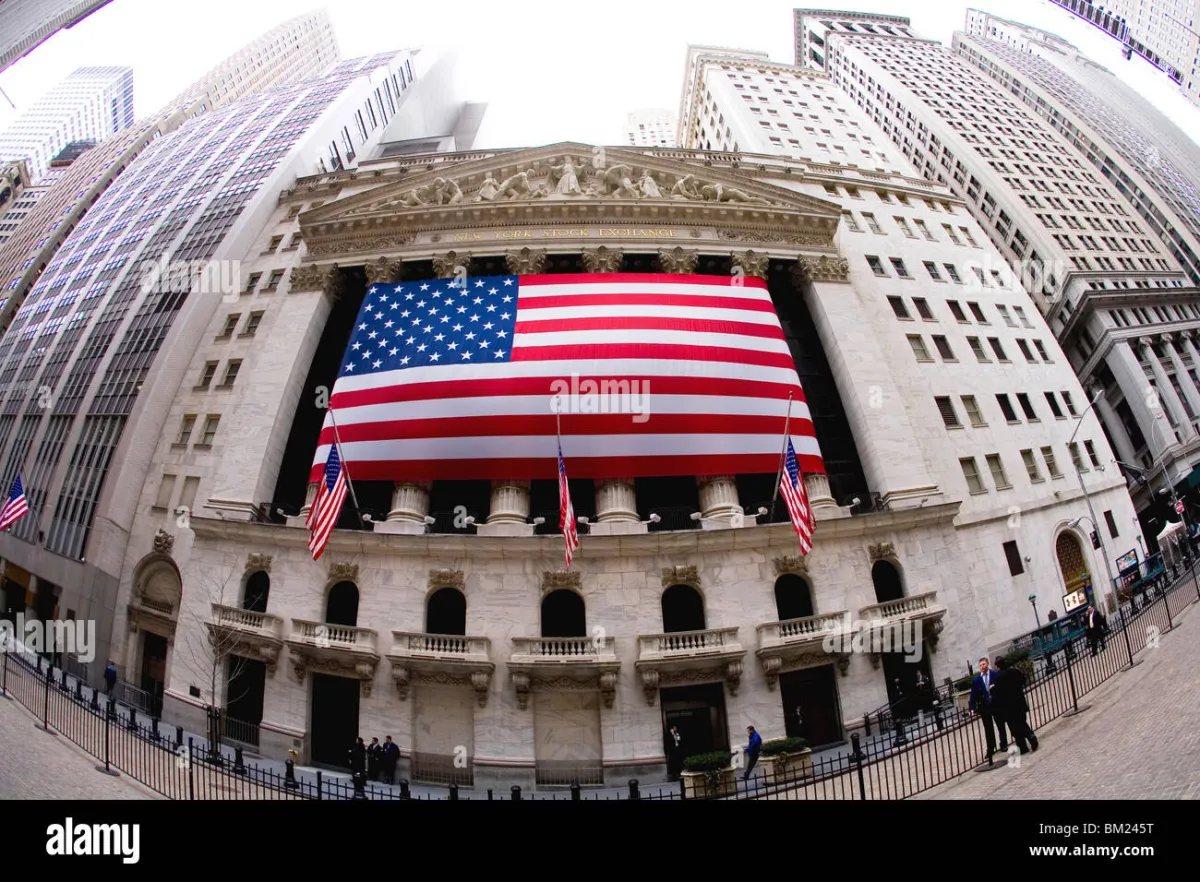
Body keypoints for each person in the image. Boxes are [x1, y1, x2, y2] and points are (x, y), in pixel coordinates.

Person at [992, 656, 1038, 755]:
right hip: (1019, 702)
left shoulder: (997, 678)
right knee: (1022, 722)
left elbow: (998, 693)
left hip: (1008, 707)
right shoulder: (1014, 671)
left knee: (1014, 728)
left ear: (997, 666)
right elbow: (1023, 681)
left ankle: (1023, 746)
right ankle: (1030, 736)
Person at [969, 656, 1008, 764]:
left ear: (987, 664)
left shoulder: (995, 674)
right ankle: (990, 748)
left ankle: (1003, 744)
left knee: (1000, 724)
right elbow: (973, 695)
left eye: (984, 664)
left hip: (996, 703)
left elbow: (1001, 687)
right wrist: (971, 708)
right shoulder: (976, 680)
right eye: (980, 665)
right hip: (984, 707)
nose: (982, 666)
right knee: (988, 729)